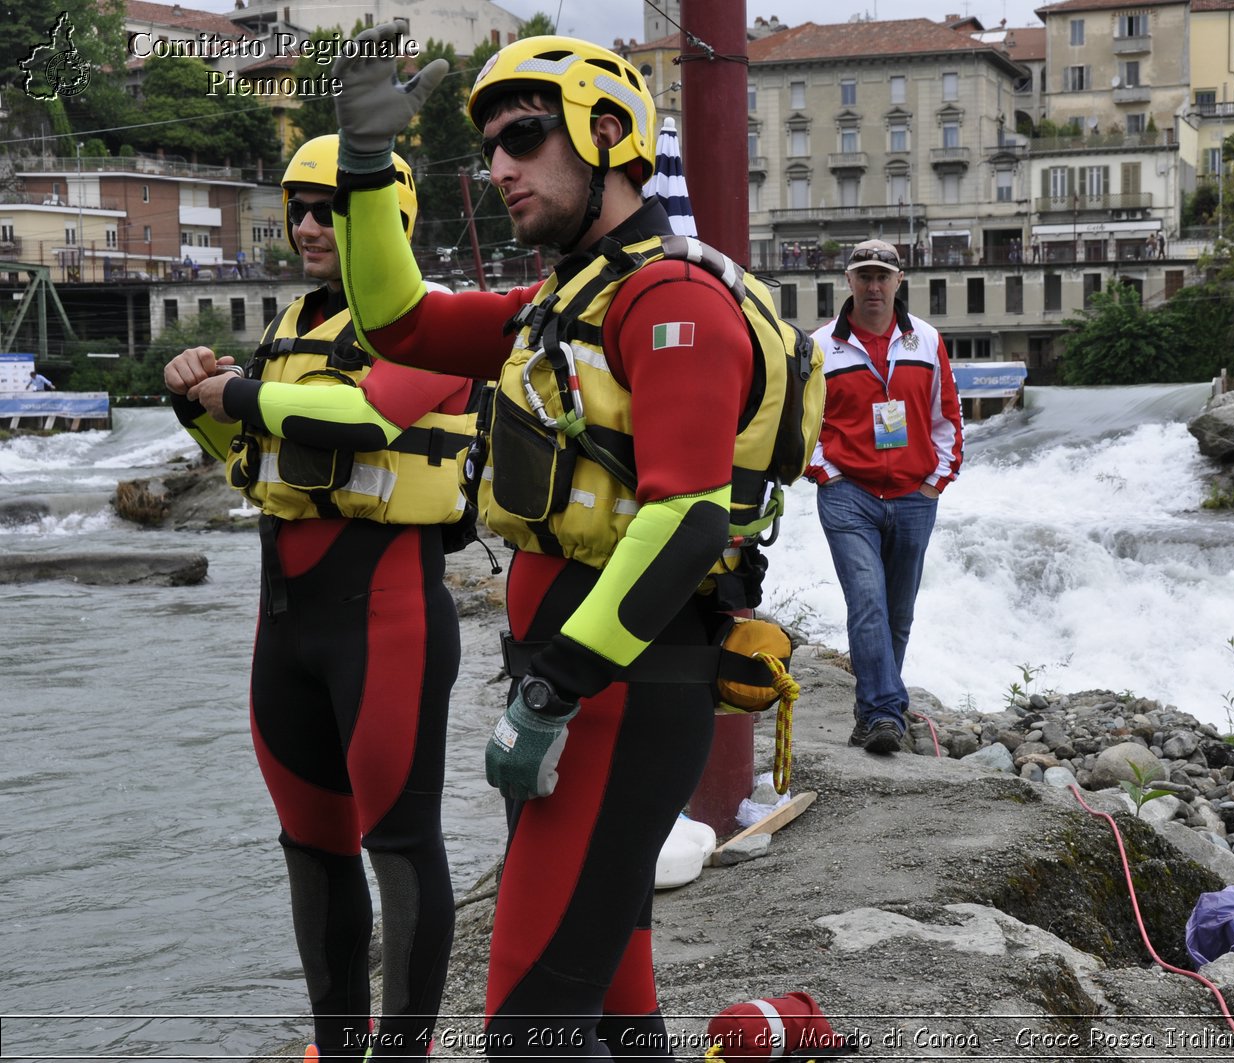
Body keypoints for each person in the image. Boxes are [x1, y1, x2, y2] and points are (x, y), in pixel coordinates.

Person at [326, 24, 788, 1057]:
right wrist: (363, 171)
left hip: (617, 696)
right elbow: (396, 322)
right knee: (615, 1004)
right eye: (490, 146)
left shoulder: (669, 299)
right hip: (577, 692)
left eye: (526, 137)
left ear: (609, 131)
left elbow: (686, 516)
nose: (500, 168)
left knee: (528, 1024)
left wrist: (554, 691)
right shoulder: (554, 305)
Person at [162, 136, 476, 1062]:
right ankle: (337, 1048)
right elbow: (260, 472)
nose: (305, 224)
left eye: (330, 205)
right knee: (313, 850)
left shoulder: (439, 324)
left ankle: (405, 1053)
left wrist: (237, 391)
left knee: (400, 845)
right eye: (297, 205)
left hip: (390, 624)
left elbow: (370, 415)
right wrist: (197, 404)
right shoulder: (291, 325)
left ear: (387, 216)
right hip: (287, 627)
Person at [806, 239, 962, 755]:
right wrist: (824, 473)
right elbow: (801, 423)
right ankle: (883, 714)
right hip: (849, 494)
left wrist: (935, 481)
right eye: (864, 276)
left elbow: (947, 418)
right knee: (868, 603)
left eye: (883, 277)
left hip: (915, 496)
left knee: (898, 613)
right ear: (848, 282)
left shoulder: (927, 340)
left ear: (899, 282)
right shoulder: (820, 346)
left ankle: (873, 711)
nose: (874, 286)